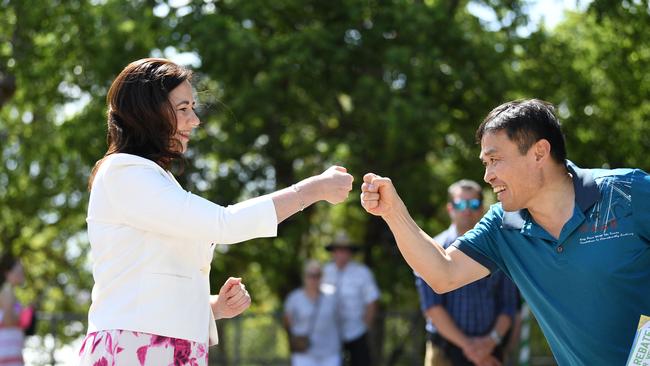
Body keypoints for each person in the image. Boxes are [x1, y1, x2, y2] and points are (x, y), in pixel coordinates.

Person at [79, 58, 354, 365]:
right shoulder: (124, 172)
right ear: (146, 112)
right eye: (183, 108)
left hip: (165, 349)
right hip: (133, 350)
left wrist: (213, 307)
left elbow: (150, 286)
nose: (194, 119)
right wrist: (312, 190)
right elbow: (223, 223)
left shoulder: (151, 177)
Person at [360, 99, 650, 365]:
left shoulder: (628, 191)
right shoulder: (501, 225)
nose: (487, 176)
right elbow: (442, 273)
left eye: (495, 160)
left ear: (539, 152)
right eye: (485, 164)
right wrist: (393, 212)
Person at [414, 179, 518, 366]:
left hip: (490, 350)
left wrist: (489, 342)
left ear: (481, 208)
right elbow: (432, 309)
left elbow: (508, 306)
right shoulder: (431, 250)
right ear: (450, 208)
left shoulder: (499, 249)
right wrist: (472, 349)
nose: (467, 210)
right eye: (460, 204)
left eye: (473, 204)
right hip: (444, 351)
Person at [322, 233, 380, 366]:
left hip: (356, 331)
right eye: (338, 250)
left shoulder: (362, 272)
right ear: (333, 252)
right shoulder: (324, 272)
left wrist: (366, 327)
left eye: (345, 250)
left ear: (350, 253)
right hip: (330, 333)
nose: (341, 254)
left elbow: (372, 301)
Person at [284, 260, 341, 366]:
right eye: (310, 275)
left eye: (317, 275)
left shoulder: (332, 296)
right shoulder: (294, 298)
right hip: (304, 353)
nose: (314, 279)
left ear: (322, 277)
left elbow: (340, 319)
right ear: (304, 277)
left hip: (330, 353)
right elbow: (288, 320)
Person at [0, 254, 26, 366]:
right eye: (19, 271)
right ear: (7, 273)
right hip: (6, 354)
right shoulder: (7, 291)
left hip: (11, 353)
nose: (22, 274)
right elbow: (8, 320)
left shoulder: (9, 291)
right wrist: (23, 315)